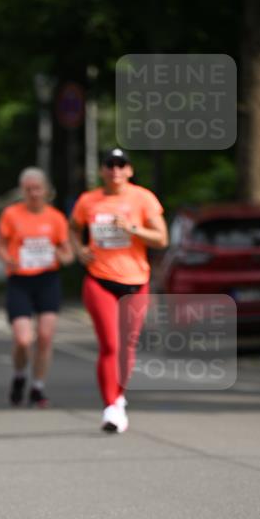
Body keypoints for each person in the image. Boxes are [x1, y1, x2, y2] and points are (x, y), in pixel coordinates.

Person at [70, 148, 168, 433]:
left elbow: (162, 238)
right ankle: (110, 406)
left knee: (127, 347)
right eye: (109, 165)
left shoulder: (143, 198)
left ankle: (120, 395)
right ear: (102, 170)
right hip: (99, 279)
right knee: (110, 345)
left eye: (120, 165)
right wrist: (80, 250)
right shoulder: (89, 200)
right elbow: (73, 228)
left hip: (136, 281)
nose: (115, 170)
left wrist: (133, 228)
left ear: (129, 170)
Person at [0, 167, 72, 407]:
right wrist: (7, 259)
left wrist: (62, 257)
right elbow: (1, 246)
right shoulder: (11, 214)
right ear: (23, 191)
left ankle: (38, 386)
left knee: (45, 336)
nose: (33, 193)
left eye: (37, 188)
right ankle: (20, 376)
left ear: (46, 191)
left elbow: (67, 252)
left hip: (47, 280)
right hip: (20, 280)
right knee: (22, 339)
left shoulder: (56, 218)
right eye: (28, 189)